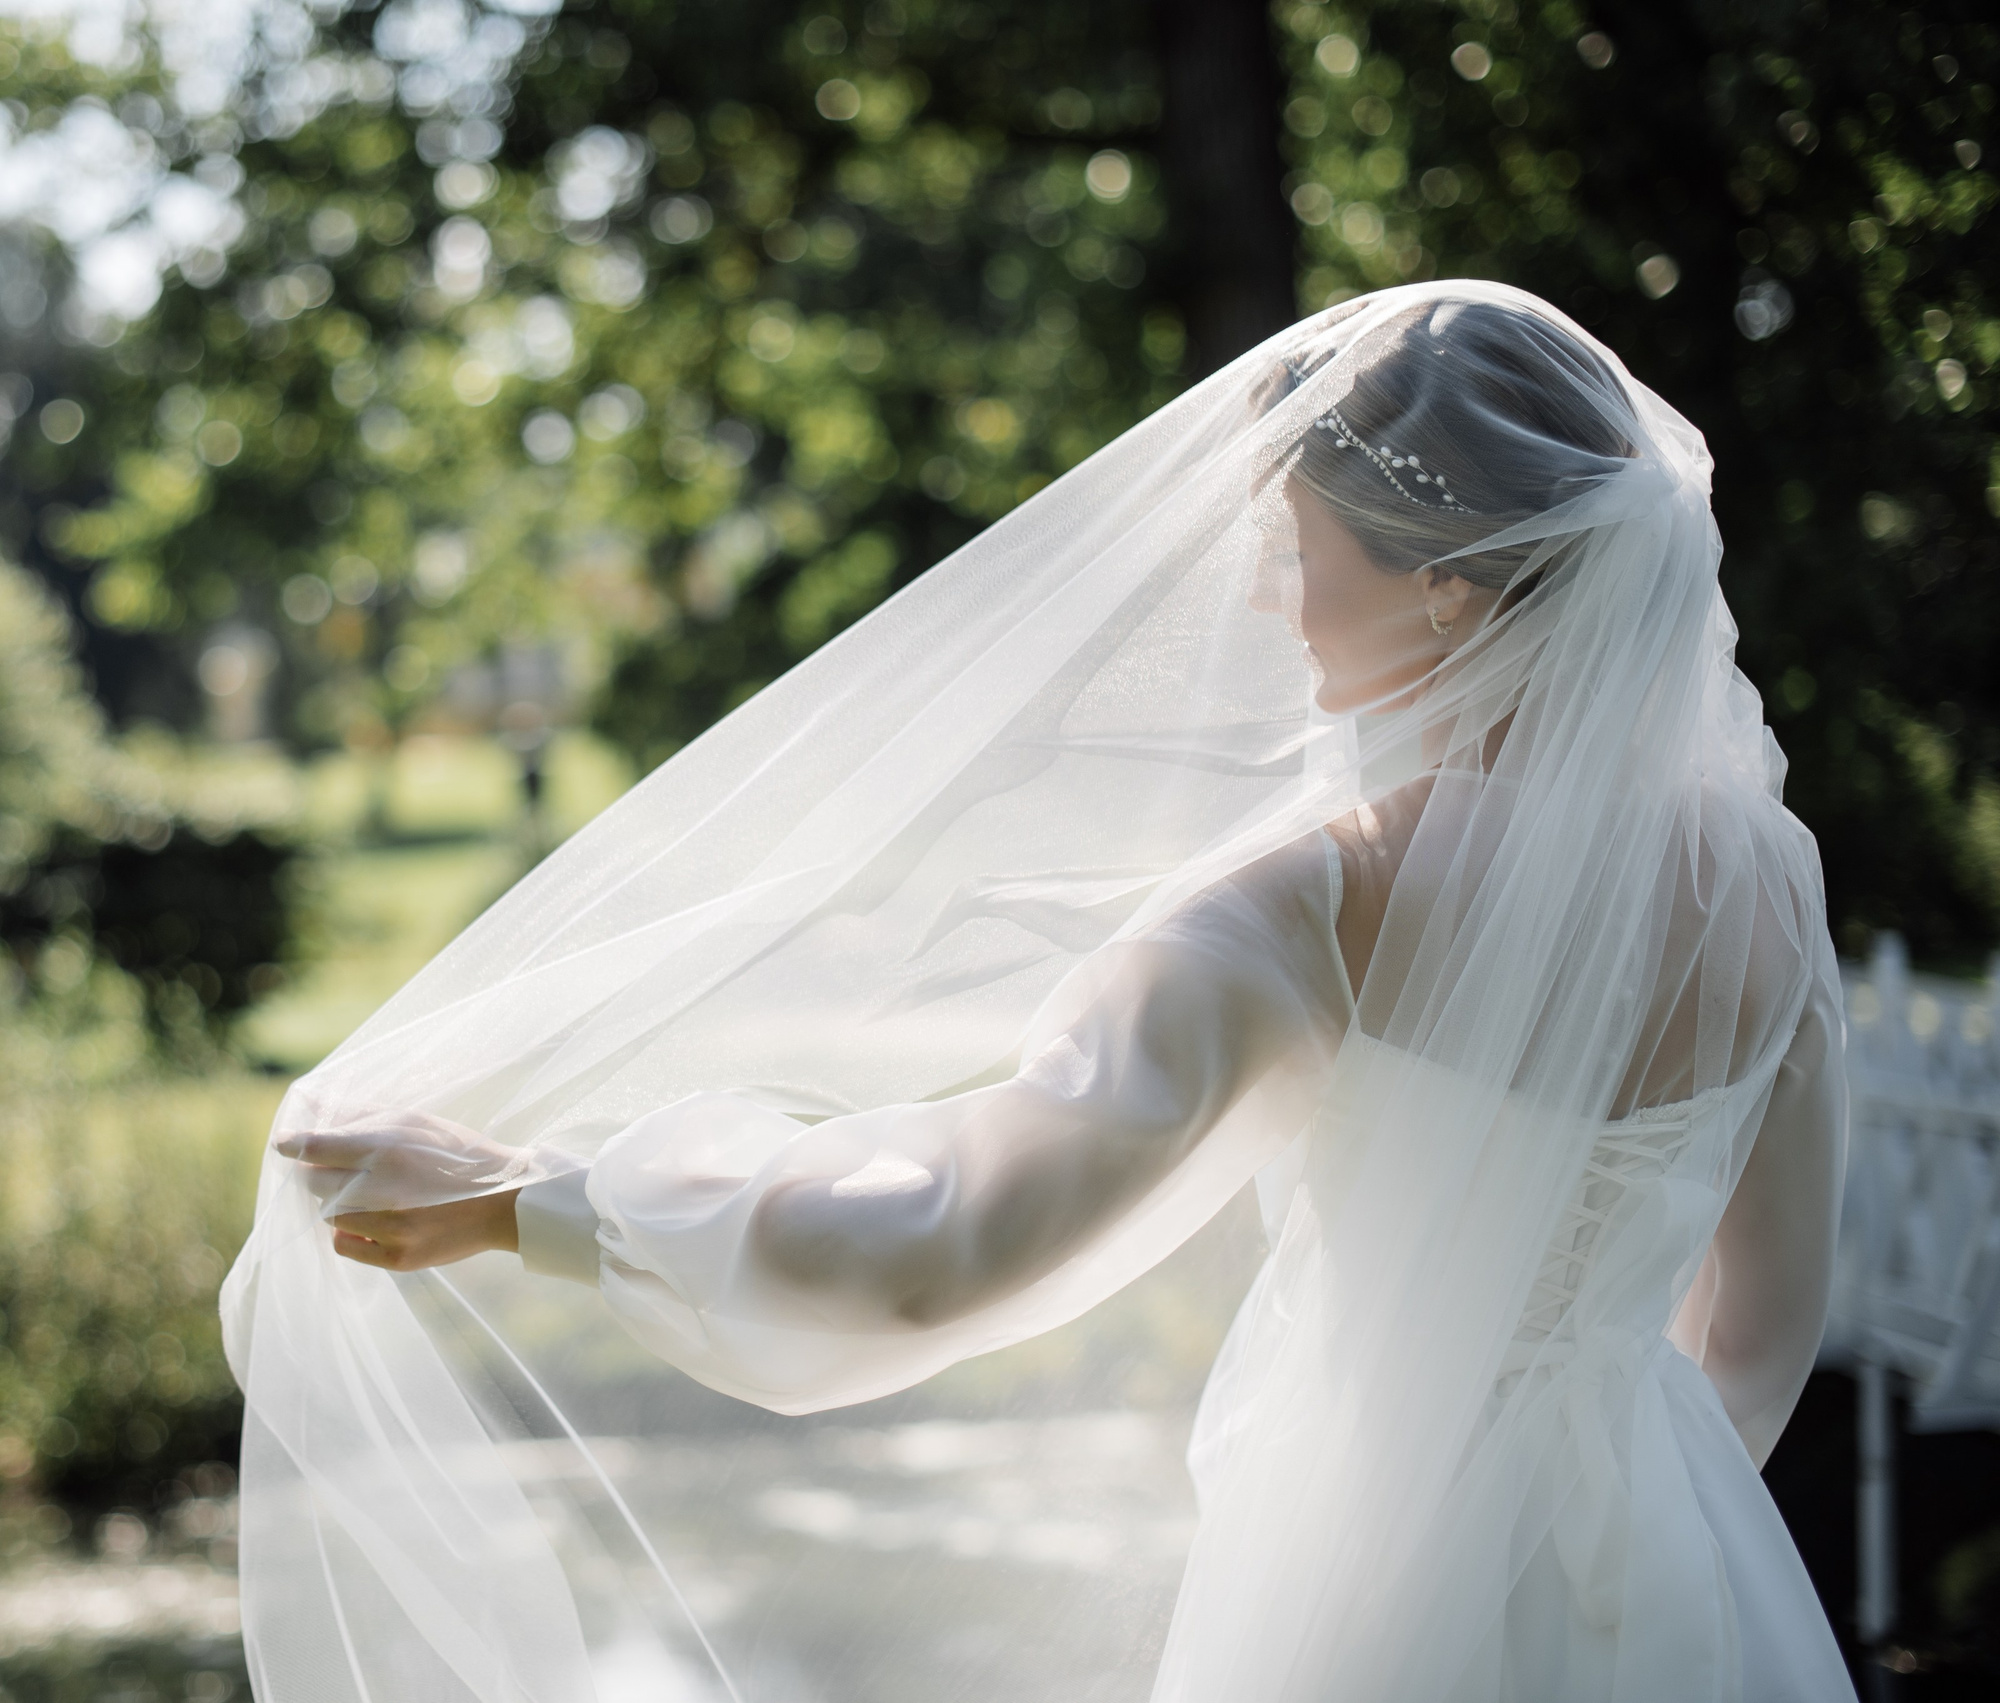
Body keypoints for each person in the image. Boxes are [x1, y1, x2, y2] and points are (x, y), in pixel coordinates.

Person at [225, 284, 1857, 1702]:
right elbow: (1766, 1327)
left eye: (1300, 552)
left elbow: (948, 1239)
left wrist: (536, 1203)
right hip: (1686, 1571)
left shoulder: (1319, 903)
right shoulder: (1769, 888)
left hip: (1372, 1579)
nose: (1267, 600)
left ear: (1448, 585)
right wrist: (1634, 1544)